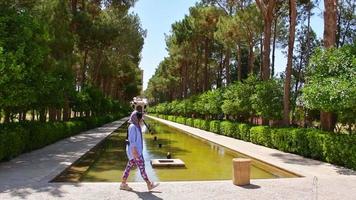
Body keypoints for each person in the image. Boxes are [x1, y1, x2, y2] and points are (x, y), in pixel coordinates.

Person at [120, 111, 159, 191]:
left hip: (134, 152)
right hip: (135, 152)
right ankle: (149, 184)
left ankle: (123, 184)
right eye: (141, 118)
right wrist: (135, 153)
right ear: (136, 118)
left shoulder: (136, 126)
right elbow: (132, 141)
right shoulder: (132, 127)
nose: (142, 119)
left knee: (128, 167)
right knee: (142, 168)